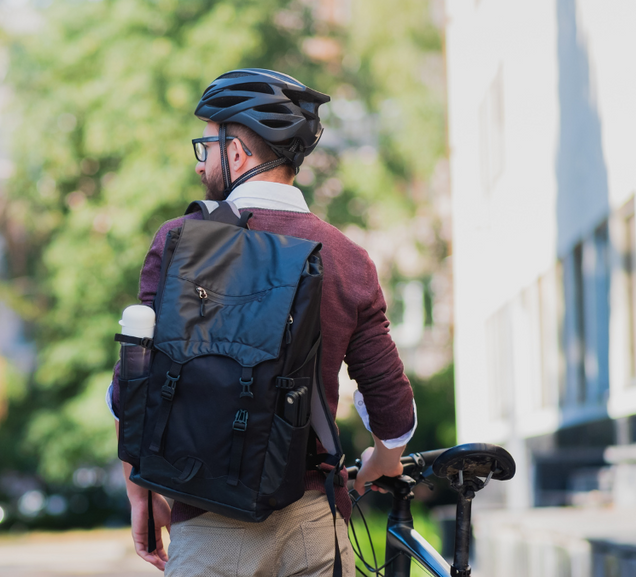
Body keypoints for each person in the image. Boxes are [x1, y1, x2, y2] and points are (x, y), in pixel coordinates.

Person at [108, 69, 417, 577]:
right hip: (312, 527)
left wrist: (141, 495)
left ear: (236, 153)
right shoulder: (347, 257)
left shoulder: (181, 240)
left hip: (208, 530)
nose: (201, 161)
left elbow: (130, 389)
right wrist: (386, 457)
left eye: (206, 145)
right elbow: (391, 405)